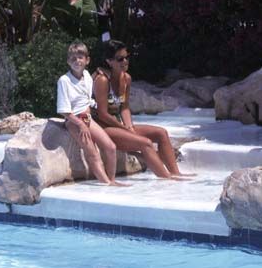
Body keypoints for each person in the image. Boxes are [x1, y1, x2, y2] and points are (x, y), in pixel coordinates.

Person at [92, 40, 195, 179]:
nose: (125, 61)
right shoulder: (102, 80)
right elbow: (102, 114)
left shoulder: (126, 78)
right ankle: (167, 178)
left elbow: (124, 107)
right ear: (109, 61)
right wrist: (124, 129)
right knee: (145, 143)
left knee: (161, 133)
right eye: (120, 59)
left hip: (118, 125)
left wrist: (129, 126)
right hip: (104, 128)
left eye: (127, 57)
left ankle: (175, 173)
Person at [57, 42, 130, 187]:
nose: (77, 61)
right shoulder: (64, 81)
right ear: (68, 61)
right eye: (73, 58)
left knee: (110, 147)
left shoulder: (87, 76)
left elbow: (89, 100)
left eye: (80, 57)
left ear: (87, 60)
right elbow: (64, 111)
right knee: (92, 153)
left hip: (87, 118)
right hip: (74, 120)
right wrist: (80, 124)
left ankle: (112, 180)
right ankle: (106, 183)